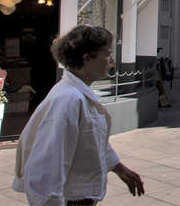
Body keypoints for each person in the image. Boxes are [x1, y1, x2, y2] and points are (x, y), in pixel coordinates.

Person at [14, 26, 144, 206]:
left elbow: (91, 140)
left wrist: (119, 168)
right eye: (107, 54)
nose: (112, 61)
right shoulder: (68, 101)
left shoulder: (79, 95)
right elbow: (47, 168)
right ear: (87, 59)